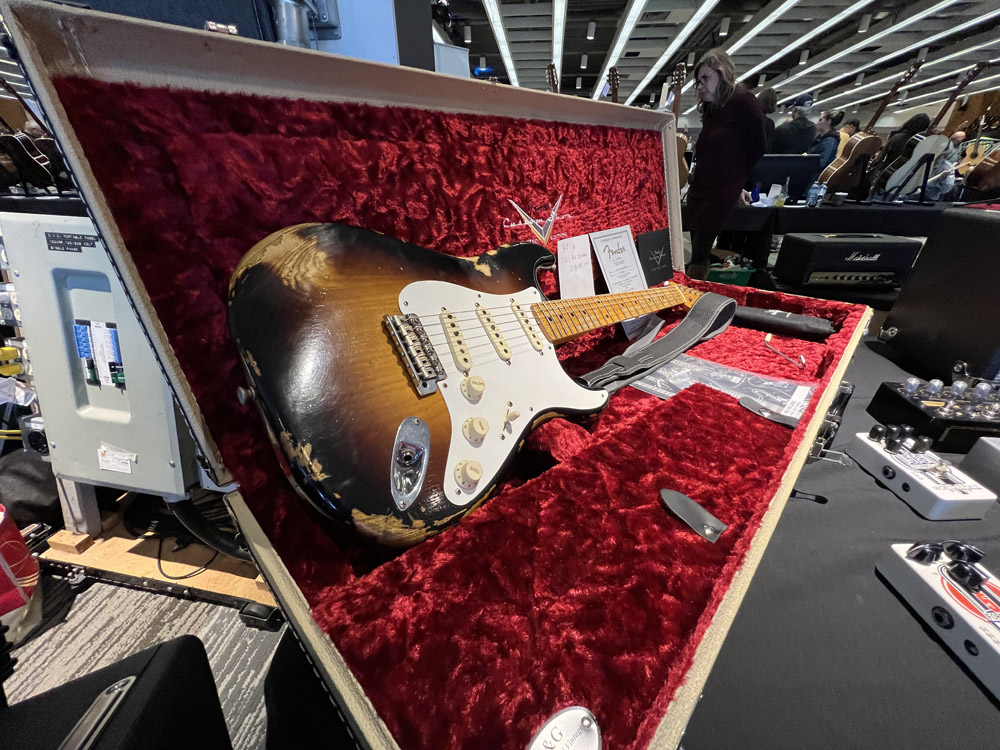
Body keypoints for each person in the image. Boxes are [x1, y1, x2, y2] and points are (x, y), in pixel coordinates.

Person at [685, 48, 767, 280]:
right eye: (698, 81)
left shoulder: (743, 101)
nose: (700, 86)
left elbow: (758, 148)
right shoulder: (712, 110)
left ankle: (696, 304)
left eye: (706, 79)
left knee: (699, 258)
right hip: (701, 191)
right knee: (698, 256)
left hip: (721, 192)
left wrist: (739, 182)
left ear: (722, 74)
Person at [867, 113, 931, 184]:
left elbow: (880, 157)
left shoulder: (897, 137)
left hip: (885, 172)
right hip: (903, 178)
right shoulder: (920, 143)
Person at [903, 130, 965, 201]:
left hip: (929, 197)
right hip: (910, 195)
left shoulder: (945, 165)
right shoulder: (920, 160)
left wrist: (943, 178)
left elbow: (946, 188)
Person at [807, 110, 844, 178]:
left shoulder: (829, 141)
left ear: (828, 122)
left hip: (815, 179)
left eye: (820, 120)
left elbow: (820, 163)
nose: (818, 122)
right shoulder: (821, 138)